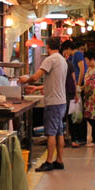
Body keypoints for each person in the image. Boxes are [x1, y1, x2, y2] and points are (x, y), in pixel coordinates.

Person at [22, 39, 69, 172]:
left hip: (53, 103)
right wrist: (36, 89)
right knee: (59, 132)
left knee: (51, 133)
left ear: (48, 47)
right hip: (61, 102)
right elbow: (55, 81)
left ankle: (48, 161)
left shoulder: (50, 59)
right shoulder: (62, 59)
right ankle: (59, 161)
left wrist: (25, 80)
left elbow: (36, 77)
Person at [66, 42, 88, 147]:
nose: (65, 53)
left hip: (79, 86)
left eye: (65, 50)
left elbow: (82, 69)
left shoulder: (77, 54)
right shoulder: (71, 57)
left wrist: (78, 85)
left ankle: (81, 137)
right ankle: (77, 137)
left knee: (78, 112)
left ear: (69, 48)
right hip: (75, 87)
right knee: (76, 111)